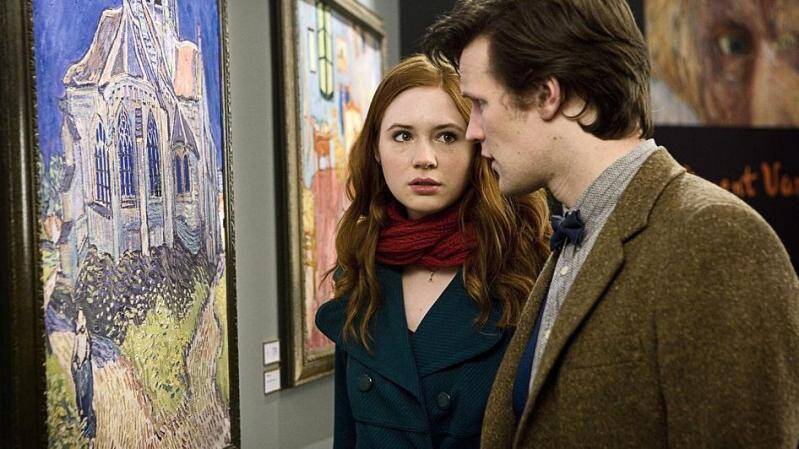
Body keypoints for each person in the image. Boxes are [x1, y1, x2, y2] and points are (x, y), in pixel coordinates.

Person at [422, 1, 799, 448]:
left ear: (548, 94)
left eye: (481, 104)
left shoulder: (718, 239)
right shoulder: (576, 235)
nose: (473, 130)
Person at [314, 55, 551, 448]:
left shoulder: (523, 264)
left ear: (476, 146)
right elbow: (347, 434)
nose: (424, 158)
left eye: (447, 137)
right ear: (376, 149)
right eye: (402, 136)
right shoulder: (359, 269)